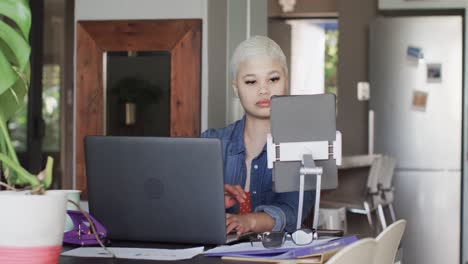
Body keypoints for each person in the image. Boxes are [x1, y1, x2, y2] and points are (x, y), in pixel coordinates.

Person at [202, 36, 313, 235]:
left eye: (273, 79)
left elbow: (292, 212)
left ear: (286, 81)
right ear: (236, 88)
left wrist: (248, 221)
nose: (263, 89)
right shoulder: (210, 143)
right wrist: (211, 199)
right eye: (251, 81)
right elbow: (181, 205)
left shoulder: (305, 147)